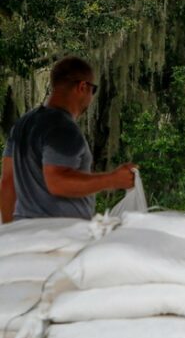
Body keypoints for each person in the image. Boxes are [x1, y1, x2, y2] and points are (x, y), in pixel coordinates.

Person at [1, 56, 136, 223]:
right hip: (60, 235)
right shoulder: (62, 127)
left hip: (26, 232)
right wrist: (113, 180)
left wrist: (9, 232)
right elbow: (57, 182)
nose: (91, 97)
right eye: (93, 90)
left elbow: (7, 182)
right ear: (82, 87)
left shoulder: (23, 124)